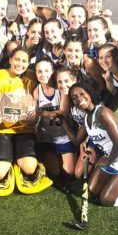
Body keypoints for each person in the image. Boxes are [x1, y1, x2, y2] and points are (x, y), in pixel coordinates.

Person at [63, 82, 118, 207]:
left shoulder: (103, 113)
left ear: (90, 93)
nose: (79, 99)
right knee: (91, 192)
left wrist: (108, 161)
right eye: (74, 98)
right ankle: (117, 178)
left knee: (107, 200)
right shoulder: (87, 118)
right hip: (113, 157)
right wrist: (63, 122)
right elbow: (77, 140)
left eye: (82, 94)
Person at [0, 47, 52, 196]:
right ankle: (3, 163)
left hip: (24, 130)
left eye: (24, 61)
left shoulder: (32, 78)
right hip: (0, 129)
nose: (20, 64)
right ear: (10, 60)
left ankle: (17, 163)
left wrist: (33, 118)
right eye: (17, 59)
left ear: (28, 62)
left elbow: (34, 115)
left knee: (30, 169)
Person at [33, 57, 75, 191]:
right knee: (55, 172)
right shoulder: (37, 90)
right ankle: (45, 156)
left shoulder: (61, 88)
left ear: (52, 71)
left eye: (46, 71)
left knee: (69, 173)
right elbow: (33, 116)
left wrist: (40, 113)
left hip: (63, 136)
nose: (43, 74)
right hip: (46, 136)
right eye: (39, 71)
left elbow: (62, 112)